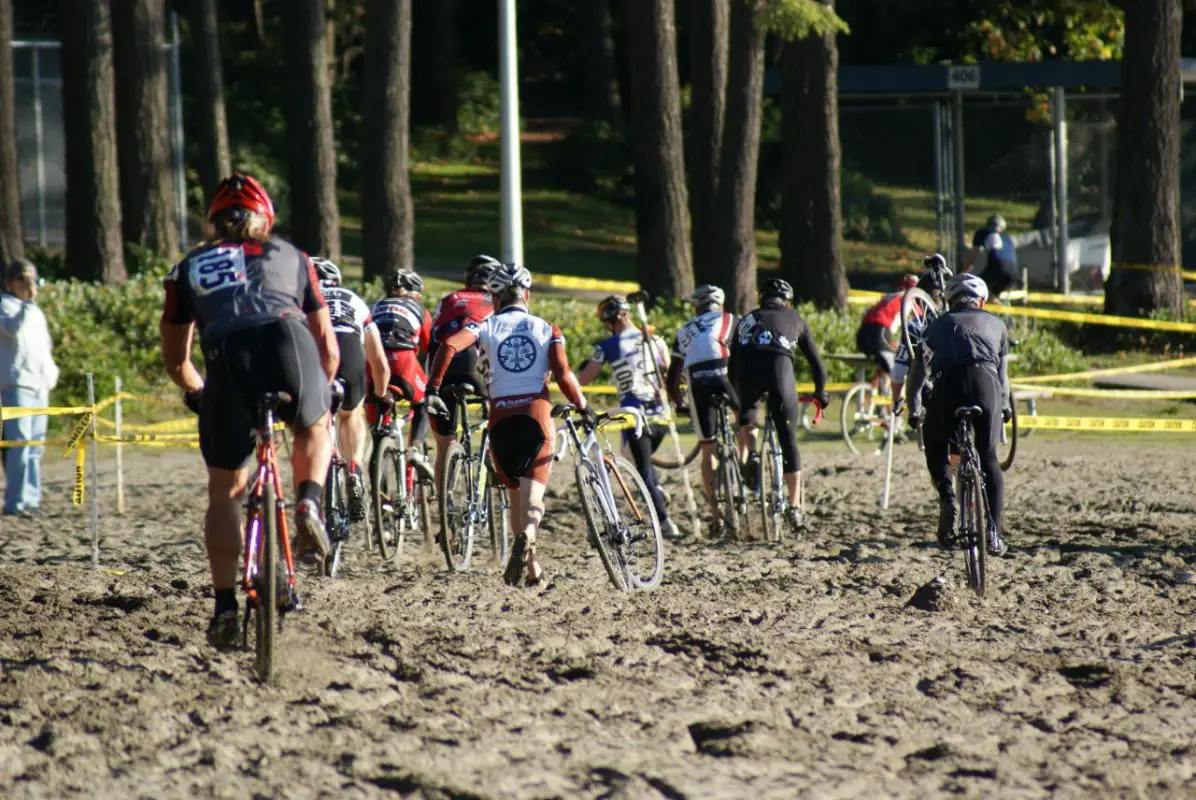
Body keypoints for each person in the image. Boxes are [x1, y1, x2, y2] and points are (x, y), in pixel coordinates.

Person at [160, 171, 339, 649]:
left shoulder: (188, 267)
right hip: (287, 343)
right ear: (266, 219)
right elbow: (326, 343)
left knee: (224, 492)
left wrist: (200, 392)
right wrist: (318, 392)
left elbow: (177, 361)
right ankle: (308, 501)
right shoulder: (293, 256)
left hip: (225, 358)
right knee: (316, 426)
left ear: (214, 222)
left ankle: (223, 608)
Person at [425, 263, 592, 588]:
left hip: (500, 420)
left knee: (515, 495)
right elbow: (563, 373)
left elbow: (448, 346)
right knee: (533, 503)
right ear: (526, 294)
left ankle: (533, 571)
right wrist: (583, 406)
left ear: (496, 297)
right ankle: (528, 535)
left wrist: (433, 389)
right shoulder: (546, 327)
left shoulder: (485, 325)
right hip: (536, 415)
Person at [904, 272, 1011, 558]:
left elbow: (918, 371)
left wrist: (914, 408)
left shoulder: (936, 325)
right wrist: (1005, 405)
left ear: (950, 301)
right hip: (986, 385)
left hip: (947, 385)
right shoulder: (997, 324)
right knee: (988, 457)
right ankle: (994, 533)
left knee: (936, 444)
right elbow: (1003, 375)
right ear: (982, 301)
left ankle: (947, 496)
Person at [731, 278, 830, 530]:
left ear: (761, 299)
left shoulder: (746, 320)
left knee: (749, 412)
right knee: (788, 441)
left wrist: (737, 401)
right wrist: (821, 393)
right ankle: (795, 507)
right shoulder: (796, 319)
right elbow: (818, 366)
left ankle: (752, 454)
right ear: (787, 301)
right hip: (779, 375)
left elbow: (732, 365)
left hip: (746, 374)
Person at [576, 295, 677, 539]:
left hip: (634, 415)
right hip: (662, 414)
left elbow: (584, 378)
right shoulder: (655, 339)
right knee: (631, 456)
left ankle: (664, 521)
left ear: (611, 320)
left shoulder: (606, 346)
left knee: (641, 471)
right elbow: (670, 371)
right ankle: (659, 489)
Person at [311, 257, 390, 521]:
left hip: (318, 353)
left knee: (315, 424)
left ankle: (314, 491)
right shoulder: (354, 300)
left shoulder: (302, 297)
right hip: (350, 352)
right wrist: (381, 395)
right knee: (350, 414)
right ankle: (353, 469)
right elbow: (379, 361)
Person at [665, 284, 737, 528]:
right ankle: (749, 461)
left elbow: (672, 379)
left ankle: (716, 514)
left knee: (708, 447)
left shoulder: (684, 330)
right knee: (746, 420)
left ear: (697, 307)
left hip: (698, 380)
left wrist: (680, 404)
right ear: (720, 304)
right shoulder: (730, 319)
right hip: (726, 373)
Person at [427, 254, 498, 490]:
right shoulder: (497, 301)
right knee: (498, 413)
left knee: (444, 443)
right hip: (477, 366)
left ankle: (443, 506)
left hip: (444, 366)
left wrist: (431, 385)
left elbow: (434, 339)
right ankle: (492, 451)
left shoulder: (450, 299)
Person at [0, 259, 59, 517]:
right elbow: (12, 330)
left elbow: (44, 345)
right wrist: (26, 305)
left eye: (32, 279)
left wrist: (50, 373)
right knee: (19, 444)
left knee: (36, 445)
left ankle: (31, 498)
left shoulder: (35, 311)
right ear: (10, 282)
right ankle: (15, 501)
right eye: (23, 279)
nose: (28, 284)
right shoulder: (5, 305)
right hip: (17, 383)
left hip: (39, 384)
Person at [369, 268, 434, 479]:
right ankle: (415, 447)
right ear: (415, 292)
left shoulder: (376, 306)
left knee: (378, 433)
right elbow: (430, 346)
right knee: (423, 402)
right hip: (402, 362)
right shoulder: (419, 309)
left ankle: (382, 496)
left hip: (372, 364)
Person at [857, 274, 918, 380]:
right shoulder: (909, 299)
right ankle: (892, 391)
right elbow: (921, 319)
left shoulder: (889, 296)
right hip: (879, 331)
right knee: (898, 360)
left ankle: (874, 390)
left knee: (883, 358)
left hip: (862, 333)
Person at [963, 214, 1019, 300]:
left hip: (999, 268)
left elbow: (973, 256)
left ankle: (1002, 310)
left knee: (976, 289)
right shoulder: (1007, 238)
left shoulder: (984, 232)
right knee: (992, 295)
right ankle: (1002, 311)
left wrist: (963, 274)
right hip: (1014, 272)